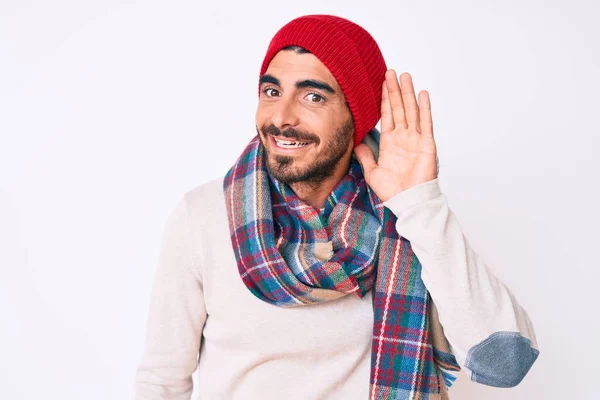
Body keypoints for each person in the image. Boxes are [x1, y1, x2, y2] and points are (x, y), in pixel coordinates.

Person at [134, 14, 539, 400]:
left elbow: (506, 364)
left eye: (313, 96)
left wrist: (420, 202)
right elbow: (162, 381)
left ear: (356, 115)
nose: (281, 117)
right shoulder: (202, 216)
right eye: (271, 91)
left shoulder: (407, 216)